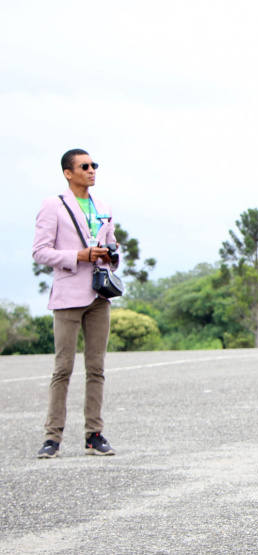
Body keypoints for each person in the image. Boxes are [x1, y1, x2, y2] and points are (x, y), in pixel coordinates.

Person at [32, 149, 119, 458]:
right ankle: (52, 437)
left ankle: (94, 434)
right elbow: (41, 251)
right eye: (85, 166)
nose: (92, 170)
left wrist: (111, 253)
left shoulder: (104, 207)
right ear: (69, 173)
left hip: (99, 294)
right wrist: (77, 256)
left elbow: (113, 246)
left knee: (96, 368)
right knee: (63, 368)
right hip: (68, 295)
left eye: (94, 165)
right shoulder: (53, 206)